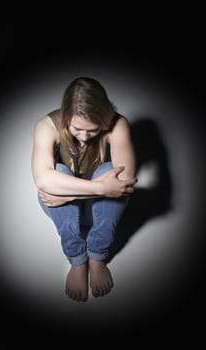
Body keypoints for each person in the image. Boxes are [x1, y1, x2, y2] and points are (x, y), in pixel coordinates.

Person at [31, 77, 137, 302]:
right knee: (57, 170)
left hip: (101, 208)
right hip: (62, 208)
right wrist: (102, 188)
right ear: (67, 116)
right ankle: (77, 260)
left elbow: (125, 182)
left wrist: (71, 191)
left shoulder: (118, 124)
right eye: (78, 128)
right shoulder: (46, 126)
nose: (85, 136)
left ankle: (97, 257)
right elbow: (43, 181)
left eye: (93, 130)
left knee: (110, 168)